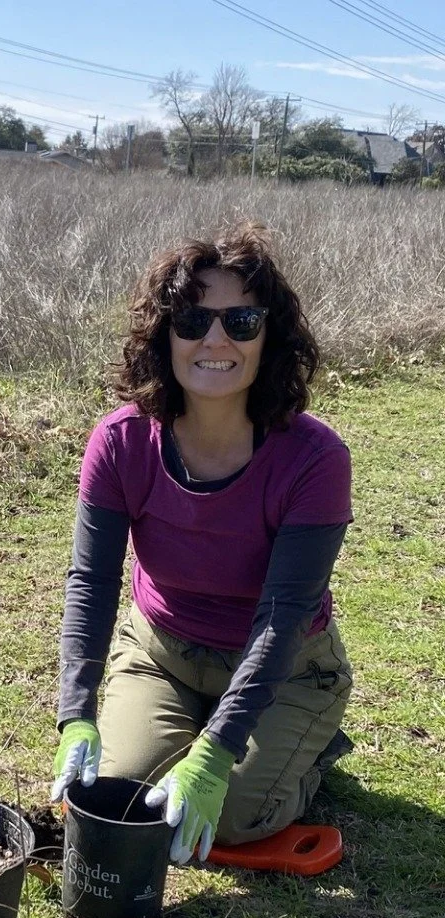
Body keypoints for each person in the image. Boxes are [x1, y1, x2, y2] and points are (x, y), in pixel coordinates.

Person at [49, 221, 354, 865]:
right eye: (191, 320)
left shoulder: (315, 458)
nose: (215, 340)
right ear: (165, 335)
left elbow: (284, 615)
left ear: (269, 336)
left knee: (234, 816)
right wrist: (75, 713)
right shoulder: (120, 441)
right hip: (163, 654)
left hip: (287, 666)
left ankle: (305, 746)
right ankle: (208, 728)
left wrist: (215, 755)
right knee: (124, 797)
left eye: (240, 321)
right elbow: (92, 581)